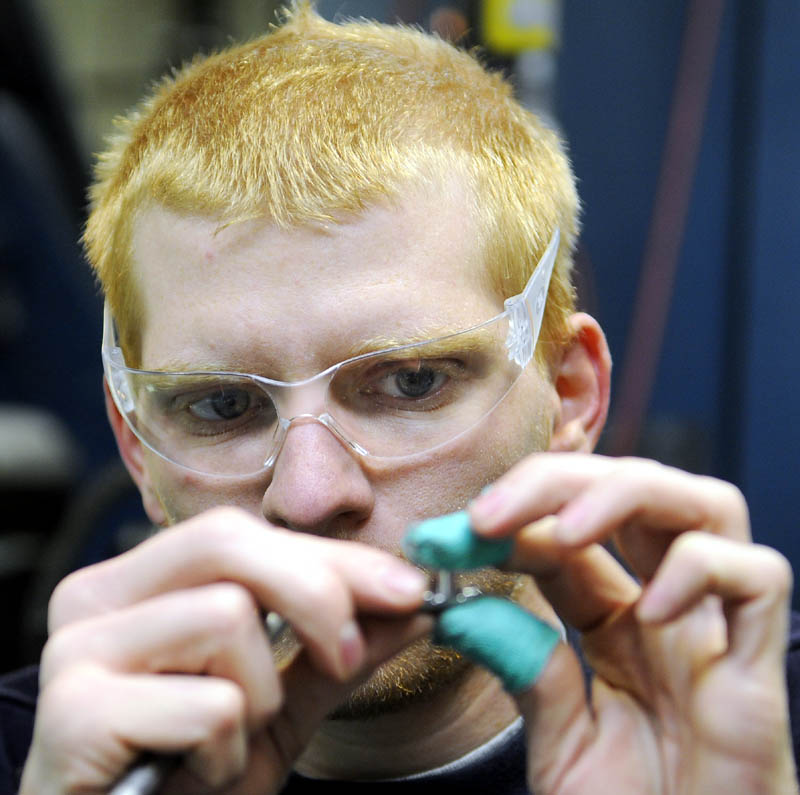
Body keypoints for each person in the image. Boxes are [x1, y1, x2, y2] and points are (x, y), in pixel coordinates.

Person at [2, 4, 799, 793]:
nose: (310, 497)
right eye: (220, 406)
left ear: (568, 395)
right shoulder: (55, 763)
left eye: (411, 381)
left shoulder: (753, 730)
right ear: (137, 445)